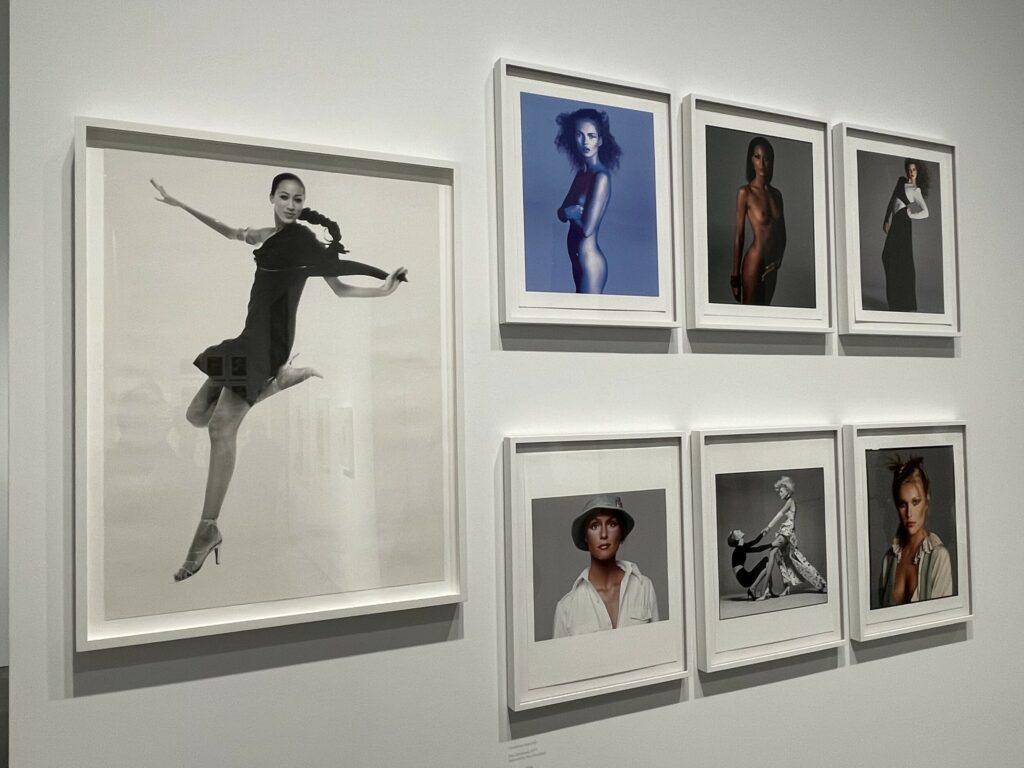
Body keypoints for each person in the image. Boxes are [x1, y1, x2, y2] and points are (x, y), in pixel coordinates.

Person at [151, 173, 408, 582]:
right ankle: (280, 382)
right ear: (271, 198)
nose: (291, 204)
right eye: (284, 197)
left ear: (304, 204)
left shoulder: (305, 241)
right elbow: (229, 231)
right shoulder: (266, 235)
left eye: (298, 199)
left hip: (268, 344)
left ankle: (207, 530)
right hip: (247, 338)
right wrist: (180, 203)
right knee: (196, 415)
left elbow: (340, 284)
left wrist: (383, 286)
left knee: (220, 427)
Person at [552, 494, 658, 638]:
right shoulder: (566, 608)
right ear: (585, 536)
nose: (603, 534)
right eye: (594, 526)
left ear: (621, 533)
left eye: (612, 524)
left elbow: (658, 646)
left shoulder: (643, 587)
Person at [554, 108, 622, 294]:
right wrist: (569, 212)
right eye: (580, 135)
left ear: (600, 140)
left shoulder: (601, 177)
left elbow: (587, 229)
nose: (585, 142)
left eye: (591, 136)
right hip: (577, 262)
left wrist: (569, 213)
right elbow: (561, 213)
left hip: (590, 264)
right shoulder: (581, 174)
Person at [878, 456, 953, 606]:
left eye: (915, 502)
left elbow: (942, 616)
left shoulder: (939, 557)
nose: (909, 514)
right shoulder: (889, 559)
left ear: (926, 502)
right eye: (903, 504)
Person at [731, 136, 786, 305]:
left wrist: (779, 261)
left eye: (766, 158)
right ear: (751, 160)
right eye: (757, 157)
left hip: (771, 267)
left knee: (766, 313)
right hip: (754, 262)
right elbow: (739, 237)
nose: (761, 164)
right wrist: (735, 278)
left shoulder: (777, 195)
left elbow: (782, 234)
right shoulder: (745, 193)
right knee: (750, 314)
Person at [760, 476, 827, 597]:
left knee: (776, 553)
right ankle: (787, 587)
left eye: (781, 491)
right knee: (783, 558)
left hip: (787, 531)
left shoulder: (790, 501)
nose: (779, 494)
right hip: (788, 531)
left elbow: (779, 514)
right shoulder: (789, 502)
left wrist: (768, 528)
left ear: (788, 490)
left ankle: (765, 590)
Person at [880, 158, 930, 311]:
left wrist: (911, 215)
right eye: (909, 169)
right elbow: (892, 201)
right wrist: (886, 220)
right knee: (887, 256)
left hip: (904, 223)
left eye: (914, 170)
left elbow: (926, 212)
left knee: (903, 261)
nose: (911, 172)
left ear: (918, 172)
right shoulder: (901, 181)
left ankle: (905, 304)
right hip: (895, 221)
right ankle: (895, 302)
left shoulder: (916, 190)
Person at [726, 529, 780, 600]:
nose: (739, 530)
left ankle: (769, 589)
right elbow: (757, 549)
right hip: (744, 578)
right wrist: (772, 544)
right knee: (767, 564)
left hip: (744, 576)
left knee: (767, 562)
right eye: (737, 531)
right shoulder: (739, 548)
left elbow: (754, 542)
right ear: (737, 538)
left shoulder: (741, 546)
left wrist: (762, 534)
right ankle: (753, 588)